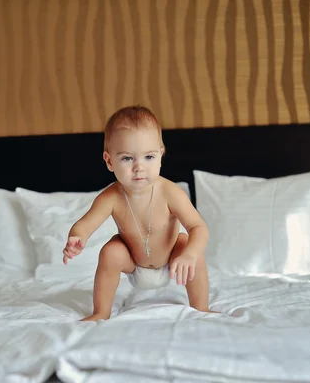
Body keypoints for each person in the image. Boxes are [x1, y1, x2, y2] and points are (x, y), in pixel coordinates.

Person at [62, 105, 214, 322]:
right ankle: (100, 312)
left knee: (190, 244)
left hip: (172, 259)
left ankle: (202, 308)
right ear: (109, 161)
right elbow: (86, 223)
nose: (139, 167)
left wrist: (189, 254)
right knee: (110, 252)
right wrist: (77, 237)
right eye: (127, 158)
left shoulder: (171, 192)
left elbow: (199, 227)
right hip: (134, 262)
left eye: (148, 157)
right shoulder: (111, 197)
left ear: (161, 156)